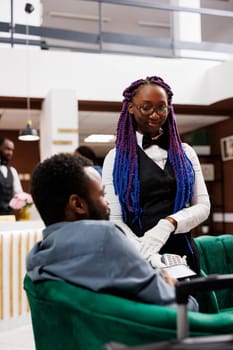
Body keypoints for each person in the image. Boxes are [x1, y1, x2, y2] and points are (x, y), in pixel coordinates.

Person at [26, 153, 198, 311]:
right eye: (102, 195)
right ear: (78, 205)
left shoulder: (39, 256)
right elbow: (181, 309)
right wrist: (173, 287)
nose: (108, 203)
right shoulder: (105, 238)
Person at [102, 76, 210, 274]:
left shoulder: (186, 152)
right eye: (146, 107)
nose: (155, 114)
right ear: (131, 108)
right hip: (136, 255)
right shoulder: (115, 158)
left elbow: (203, 206)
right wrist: (145, 250)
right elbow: (114, 219)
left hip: (183, 254)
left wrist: (168, 225)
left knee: (187, 305)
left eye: (162, 107)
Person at [0, 136, 23, 215]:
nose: (10, 153)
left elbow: (19, 194)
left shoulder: (13, 171)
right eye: (7, 149)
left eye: (12, 150)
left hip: (9, 216)